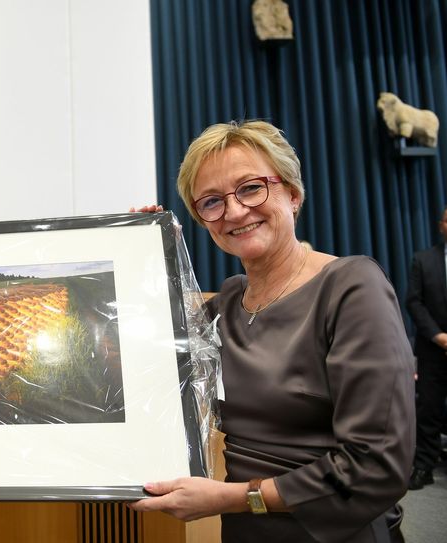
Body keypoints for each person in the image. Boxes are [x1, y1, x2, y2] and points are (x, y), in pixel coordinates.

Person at [129, 120, 415, 542]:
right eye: (211, 201)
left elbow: (376, 465)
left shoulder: (352, 287)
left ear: (293, 194)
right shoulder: (226, 301)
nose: (234, 211)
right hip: (246, 532)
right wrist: (143, 256)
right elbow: (150, 364)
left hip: (335, 532)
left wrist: (232, 499)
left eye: (250, 188)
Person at [406, 206, 447, 490]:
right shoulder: (423, 259)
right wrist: (439, 336)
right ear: (441, 225)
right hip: (433, 350)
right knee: (429, 410)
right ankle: (423, 466)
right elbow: (414, 302)